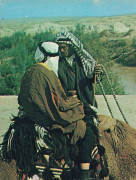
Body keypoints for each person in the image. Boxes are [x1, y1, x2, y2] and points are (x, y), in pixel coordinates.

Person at [18, 41, 93, 180]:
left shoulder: (30, 70)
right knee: (87, 131)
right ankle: (84, 174)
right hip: (46, 118)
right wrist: (75, 102)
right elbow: (59, 105)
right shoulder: (46, 74)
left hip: (29, 116)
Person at [53, 32, 102, 119]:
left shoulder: (85, 62)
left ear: (72, 47)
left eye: (64, 48)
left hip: (86, 102)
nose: (61, 51)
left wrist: (97, 73)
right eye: (60, 48)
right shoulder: (57, 64)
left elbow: (94, 79)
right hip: (67, 104)